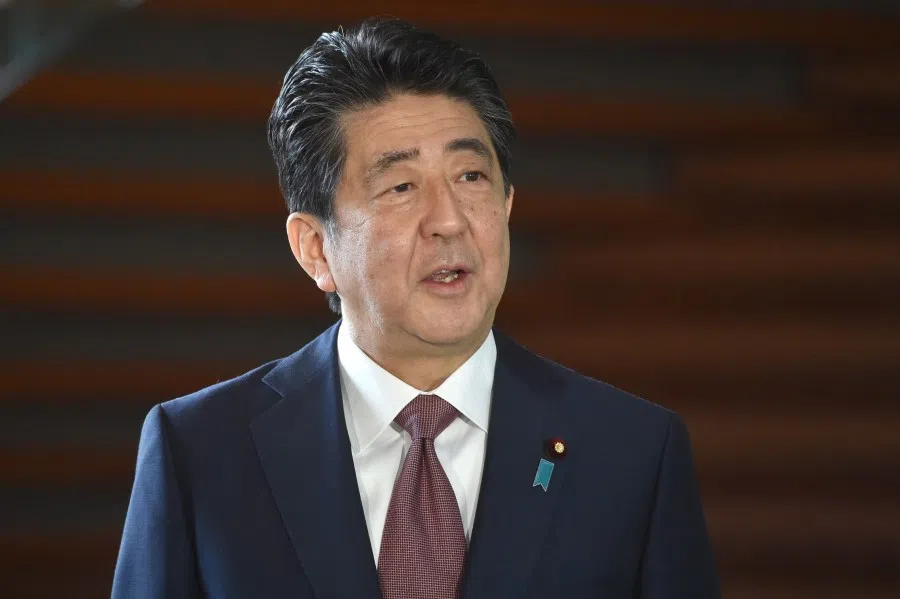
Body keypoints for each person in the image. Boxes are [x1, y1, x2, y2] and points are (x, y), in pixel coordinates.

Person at [112, 17, 720, 599]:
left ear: (507, 206)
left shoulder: (634, 451)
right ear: (315, 248)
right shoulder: (200, 451)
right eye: (401, 187)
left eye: (472, 177)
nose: (450, 221)